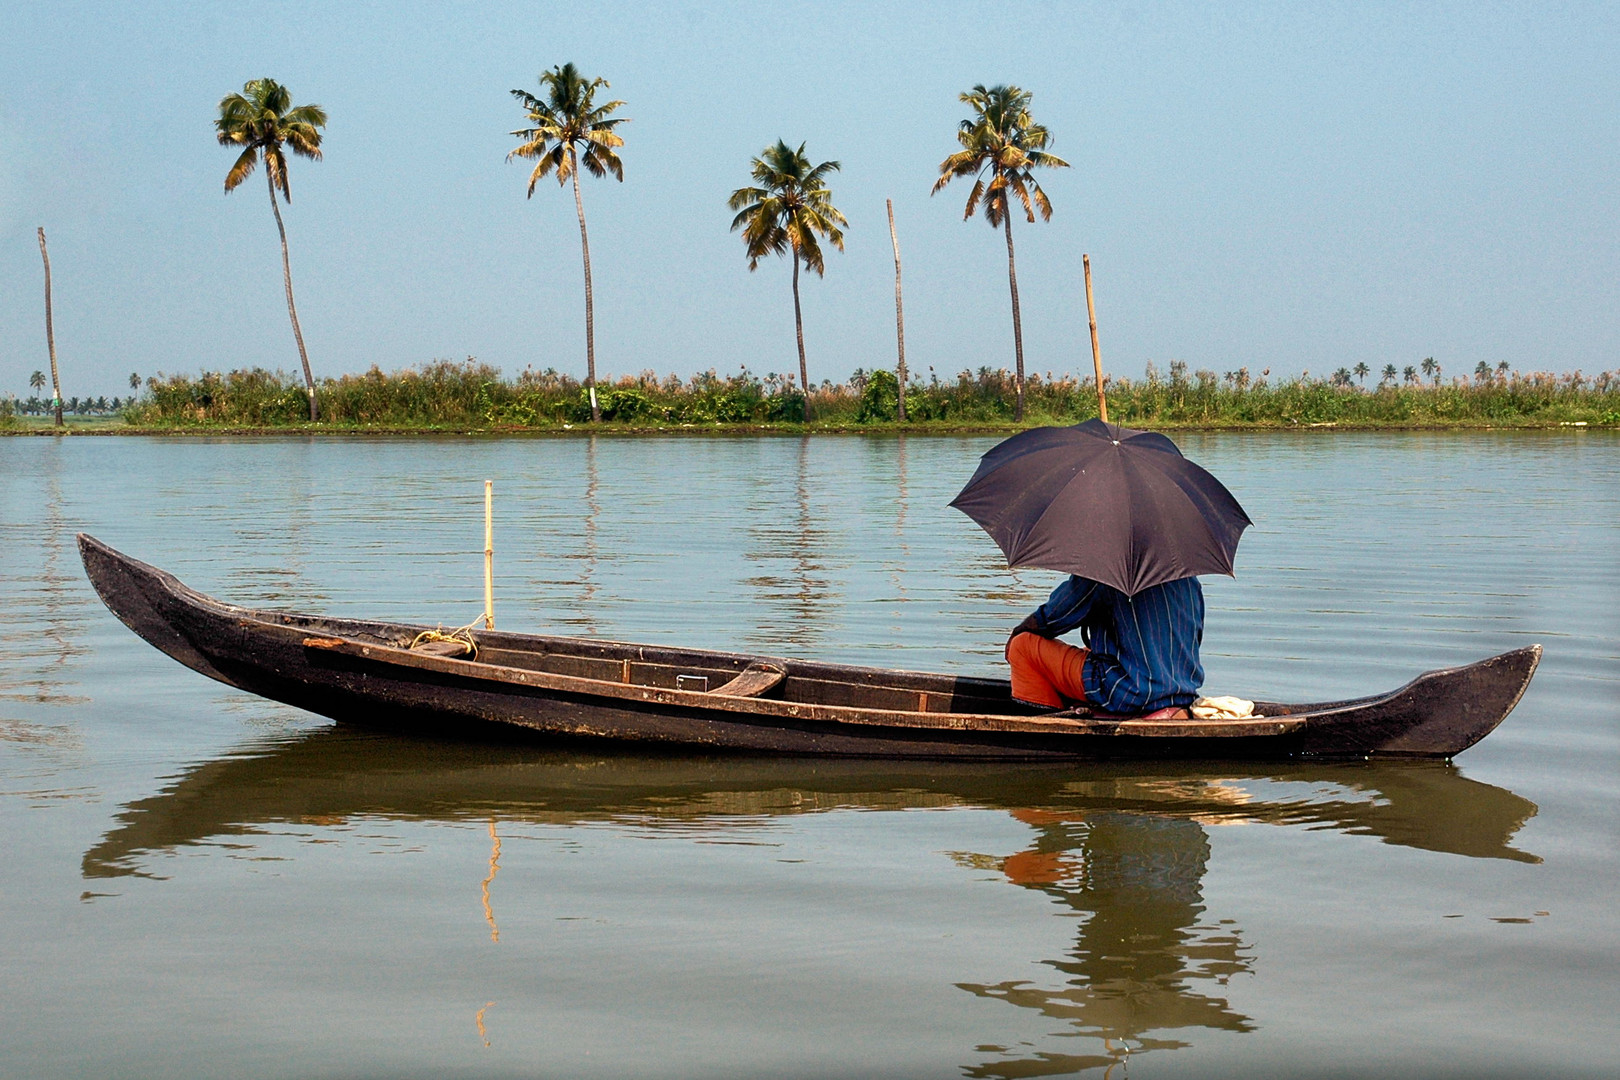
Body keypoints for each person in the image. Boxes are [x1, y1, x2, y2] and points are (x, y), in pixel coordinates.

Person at [1006, 574, 1205, 717]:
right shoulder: (1190, 580)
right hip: (1182, 692)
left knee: (1022, 646)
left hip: (1127, 691)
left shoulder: (1104, 572)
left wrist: (1019, 629)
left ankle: (1042, 727)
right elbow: (1193, 639)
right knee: (1089, 652)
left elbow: (1052, 618)